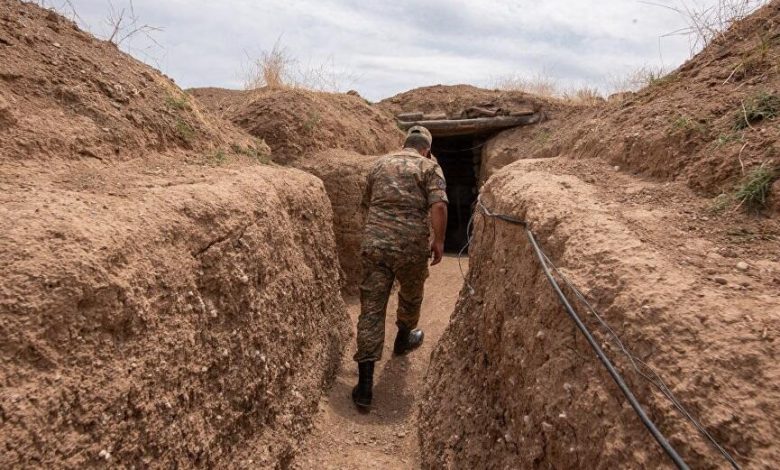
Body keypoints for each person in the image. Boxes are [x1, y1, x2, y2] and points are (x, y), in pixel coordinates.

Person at [352, 125, 448, 409]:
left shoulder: (379, 164)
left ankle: (365, 388)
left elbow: (366, 204)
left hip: (376, 246)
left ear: (404, 143)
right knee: (411, 295)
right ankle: (404, 338)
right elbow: (439, 206)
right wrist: (439, 241)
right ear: (426, 148)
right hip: (410, 248)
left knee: (371, 309)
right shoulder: (429, 168)